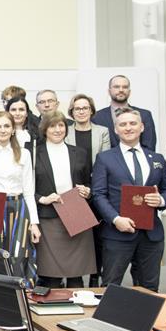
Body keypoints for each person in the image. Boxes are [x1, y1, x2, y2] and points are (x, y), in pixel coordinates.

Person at [91, 109, 166, 291]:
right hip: (117, 234)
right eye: (123, 124)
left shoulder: (157, 159)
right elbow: (98, 194)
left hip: (151, 236)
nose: (128, 128)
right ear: (116, 130)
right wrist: (115, 219)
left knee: (150, 289)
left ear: (142, 127)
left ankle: (146, 321)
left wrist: (160, 200)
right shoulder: (105, 159)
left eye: (133, 123)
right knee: (110, 286)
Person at [33, 112, 95, 288]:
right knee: (50, 275)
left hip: (77, 213)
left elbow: (88, 182)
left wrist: (87, 191)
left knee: (76, 275)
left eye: (61, 125)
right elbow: (27, 188)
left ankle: (79, 314)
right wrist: (42, 199)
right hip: (48, 217)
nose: (57, 129)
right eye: (52, 126)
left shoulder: (80, 153)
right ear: (44, 129)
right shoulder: (34, 153)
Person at [0, 111, 41, 281]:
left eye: (7, 126)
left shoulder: (24, 154)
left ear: (13, 129)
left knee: (19, 254)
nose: (3, 130)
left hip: (19, 207)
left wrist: (34, 223)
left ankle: (21, 298)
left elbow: (29, 191)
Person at [65, 93, 111, 285]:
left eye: (85, 108)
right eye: (77, 108)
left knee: (98, 237)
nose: (81, 111)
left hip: (96, 188)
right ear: (72, 111)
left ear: (91, 110)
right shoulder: (65, 131)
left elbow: (106, 160)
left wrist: (91, 187)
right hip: (71, 190)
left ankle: (95, 275)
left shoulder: (102, 131)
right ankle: (74, 278)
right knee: (75, 238)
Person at [92, 75, 158, 151]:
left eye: (125, 87)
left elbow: (150, 146)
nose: (121, 90)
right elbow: (96, 148)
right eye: (116, 87)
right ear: (109, 91)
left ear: (129, 92)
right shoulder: (96, 117)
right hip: (108, 162)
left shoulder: (145, 115)